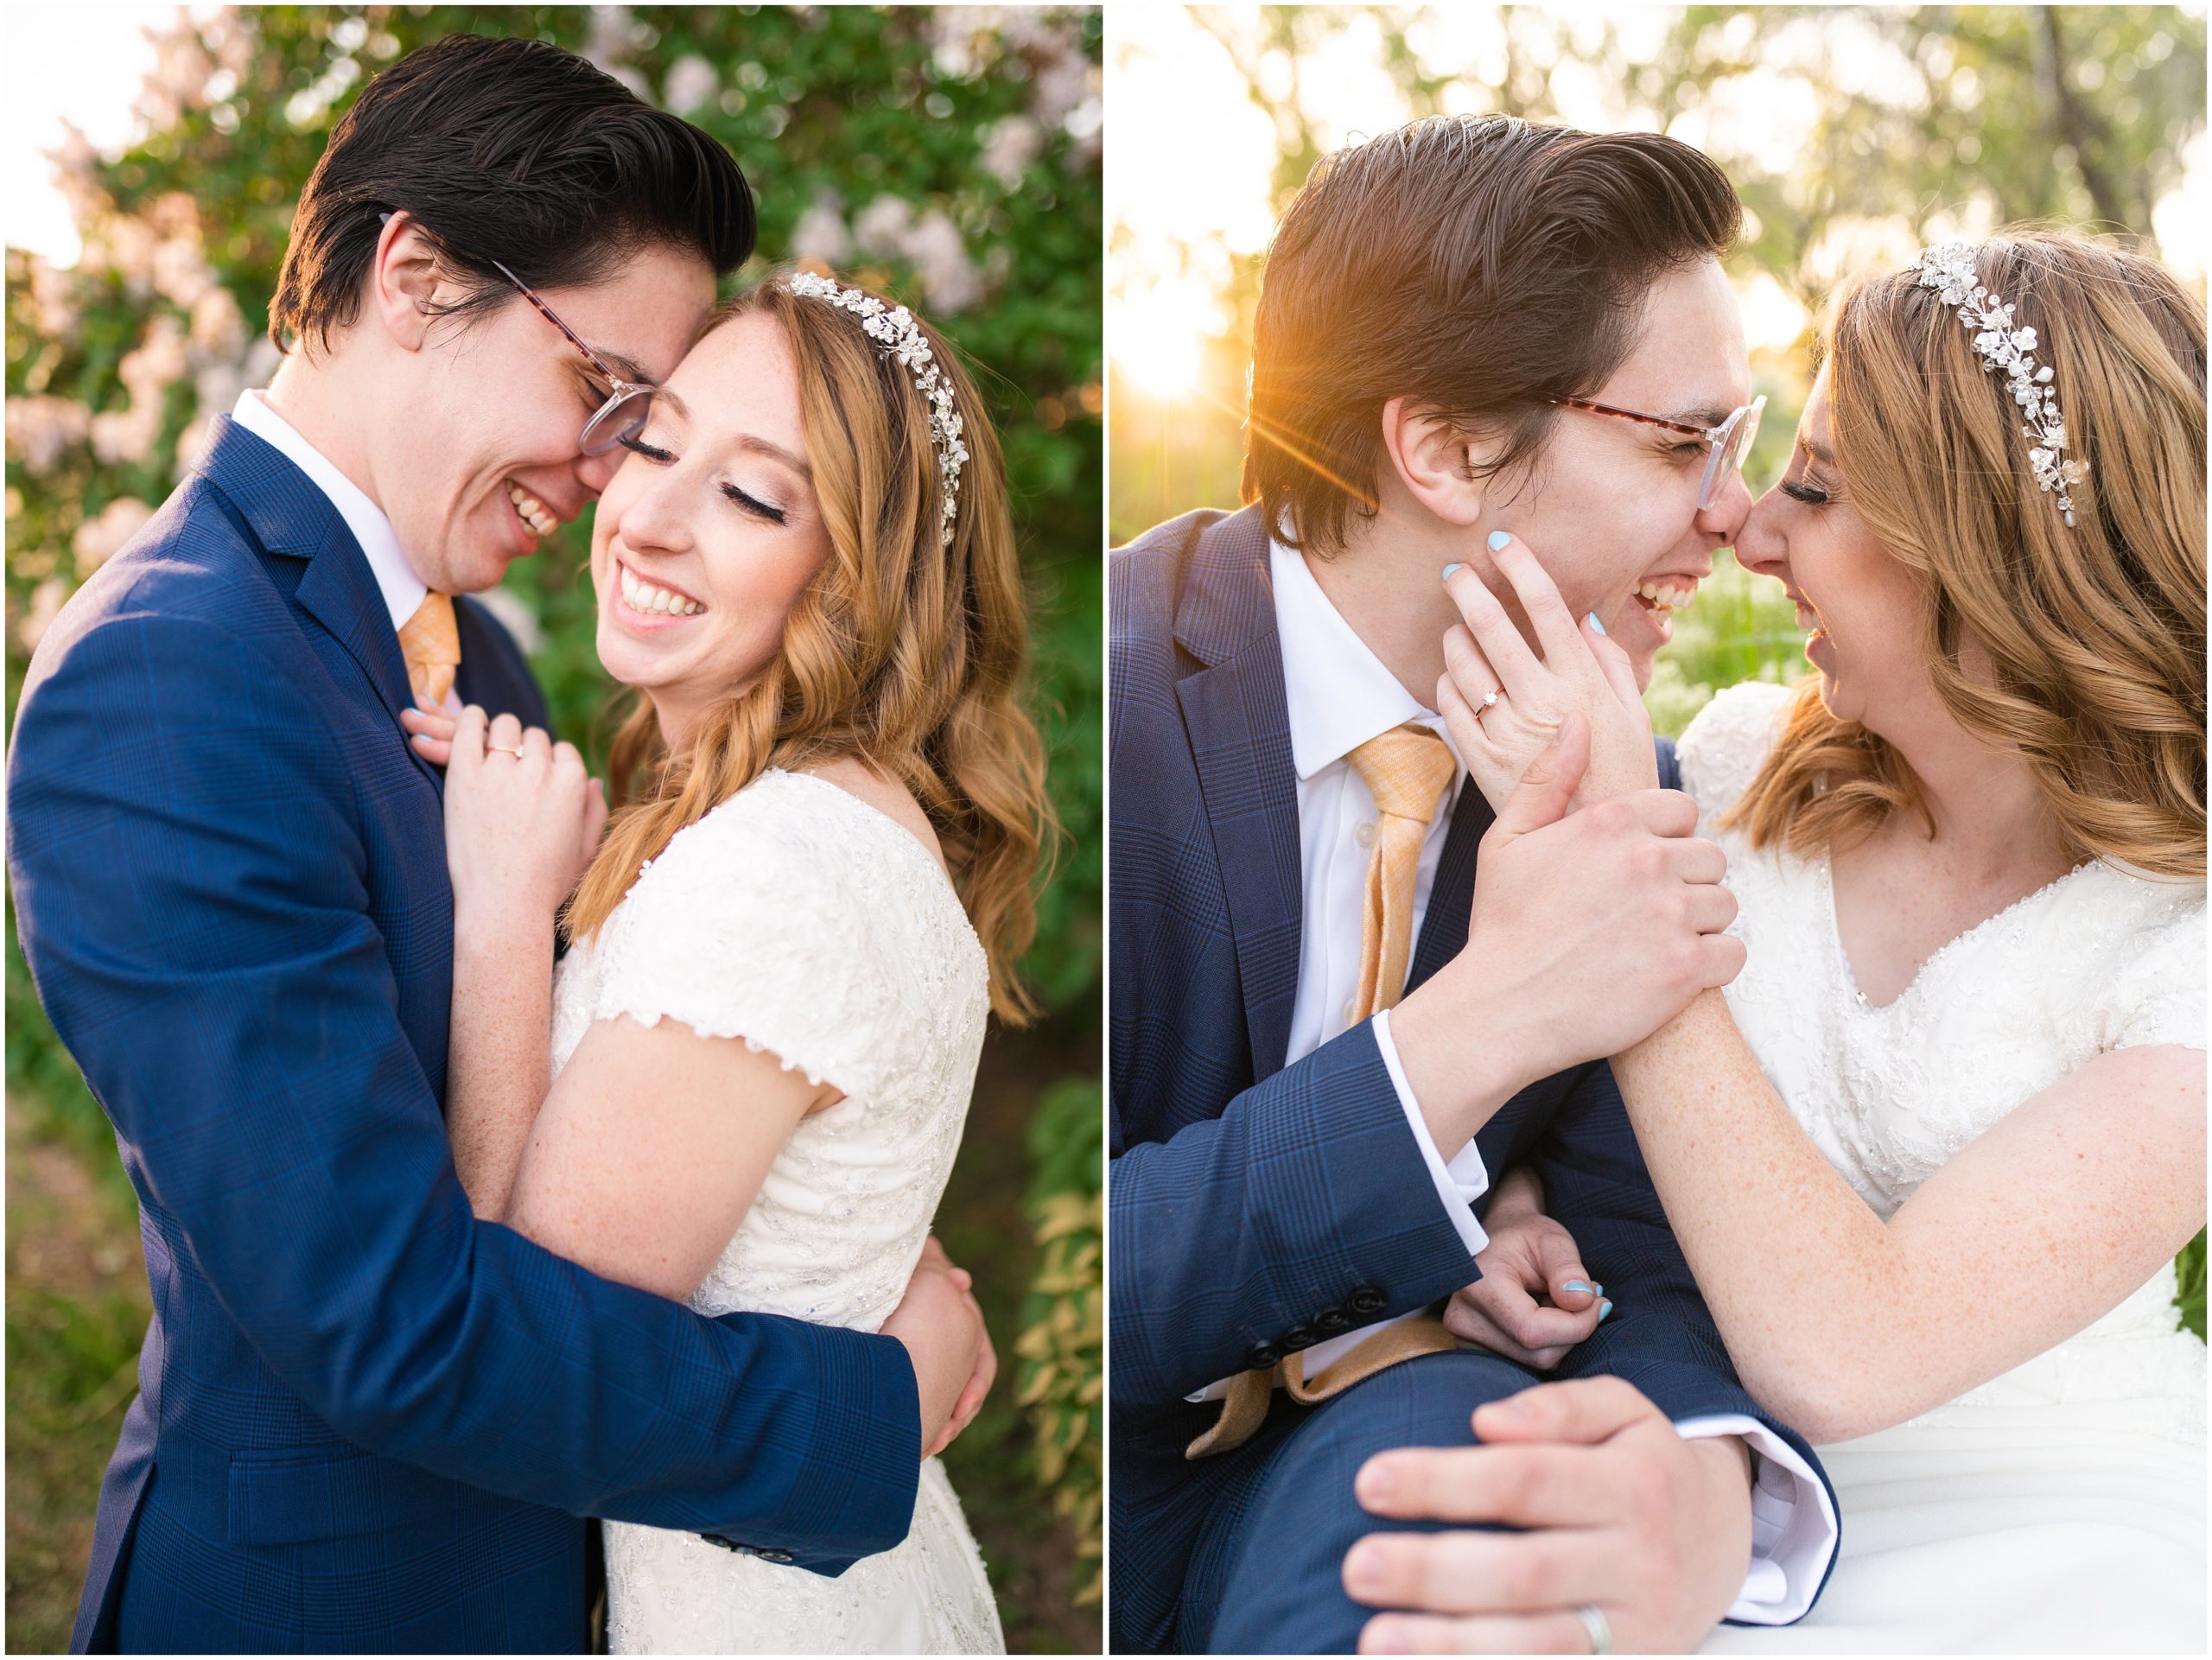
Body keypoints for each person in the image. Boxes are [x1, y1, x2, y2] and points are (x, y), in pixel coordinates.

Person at [7, 36, 985, 1654]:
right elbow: (391, 1323)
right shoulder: (168, 682)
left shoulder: (482, 655)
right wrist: (868, 1404)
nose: (613, 474)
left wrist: (842, 1231)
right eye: (607, 397)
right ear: (419, 274)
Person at [1413, 229, 2206, 1652]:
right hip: (1705, 1469)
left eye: (1819, 487)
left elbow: (1850, 1347)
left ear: (1993, 557)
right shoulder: (1728, 768)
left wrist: (1619, 871)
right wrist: (1519, 1201)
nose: (1751, 529)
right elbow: (1566, 1091)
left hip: (2065, 1539)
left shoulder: (2184, 952)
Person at [1108, 114, 1840, 1656]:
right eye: (1682, 439)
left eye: (1744, 432)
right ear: (1441, 446)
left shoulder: (1613, 758)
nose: (1736, 508)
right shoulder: (1095, 701)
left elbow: (1645, 1246)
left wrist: (1706, 1477)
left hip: (1398, 1459)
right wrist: (1473, 1038)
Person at [397, 267, 1046, 1653]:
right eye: (653, 438)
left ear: (858, 579)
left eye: (754, 497)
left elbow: (527, 1349)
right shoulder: (802, 820)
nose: (650, 516)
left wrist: (505, 913)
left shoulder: (783, 867)